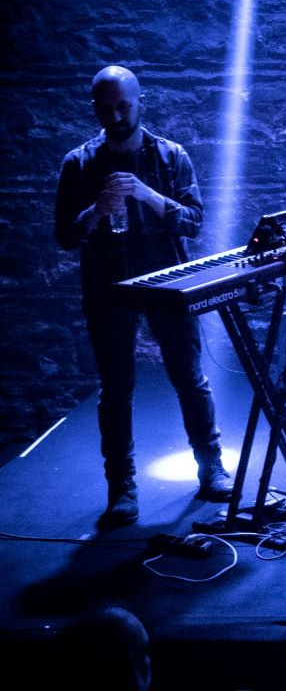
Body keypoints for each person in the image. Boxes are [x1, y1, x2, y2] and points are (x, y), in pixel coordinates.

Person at [54, 65, 233, 529]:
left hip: (168, 283)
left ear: (141, 102)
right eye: (106, 108)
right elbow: (66, 237)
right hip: (107, 288)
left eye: (123, 106)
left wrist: (147, 195)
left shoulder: (171, 156)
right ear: (95, 108)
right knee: (116, 389)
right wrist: (97, 210)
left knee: (190, 378)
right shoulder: (78, 163)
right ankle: (122, 488)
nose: (115, 116)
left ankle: (212, 467)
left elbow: (193, 222)